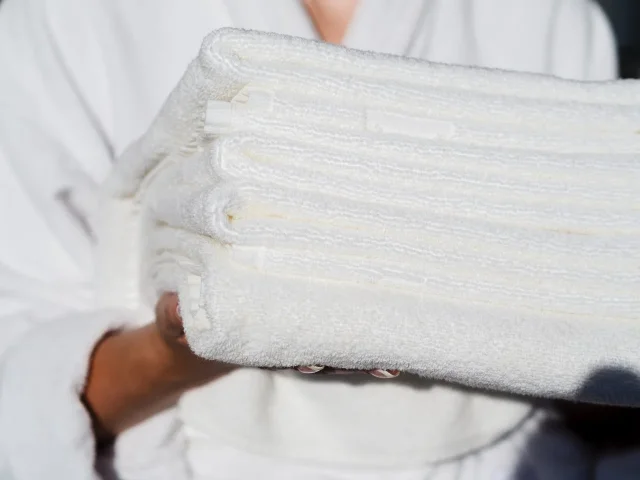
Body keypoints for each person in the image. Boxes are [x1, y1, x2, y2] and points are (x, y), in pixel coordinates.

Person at [0, 0, 635, 479]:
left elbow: (588, 334)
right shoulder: (66, 17)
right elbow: (23, 393)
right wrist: (184, 346)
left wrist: (552, 338)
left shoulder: (552, 16)